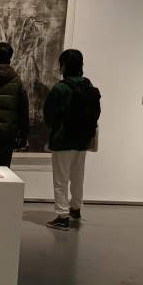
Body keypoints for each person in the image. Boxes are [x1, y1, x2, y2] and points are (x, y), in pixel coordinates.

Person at [44, 49, 101, 230]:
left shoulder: (60, 88)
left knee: (61, 180)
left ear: (64, 66)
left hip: (63, 140)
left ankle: (62, 216)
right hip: (82, 140)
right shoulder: (88, 84)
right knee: (78, 177)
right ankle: (75, 208)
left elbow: (49, 116)